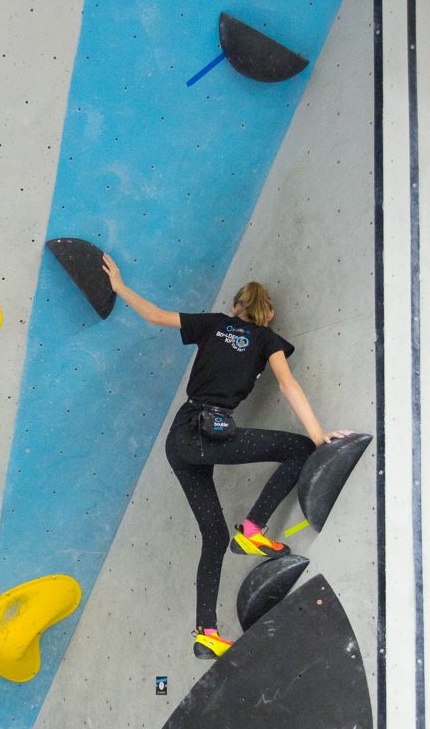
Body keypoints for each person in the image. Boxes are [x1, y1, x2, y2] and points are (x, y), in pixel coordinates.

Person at [101, 254, 350, 659]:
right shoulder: (268, 340)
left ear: (236, 307)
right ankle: (252, 528)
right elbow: (288, 386)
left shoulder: (214, 323)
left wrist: (120, 287)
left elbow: (156, 316)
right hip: (209, 435)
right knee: (299, 448)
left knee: (214, 536)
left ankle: (207, 634)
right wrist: (319, 434)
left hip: (181, 440)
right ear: (267, 314)